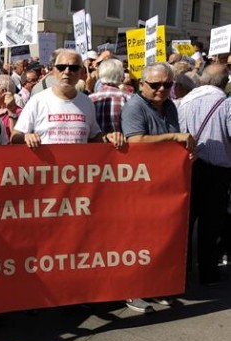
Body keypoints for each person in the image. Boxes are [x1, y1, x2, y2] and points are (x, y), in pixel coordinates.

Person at [121, 62, 195, 313]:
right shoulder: (134, 105)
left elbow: (173, 142)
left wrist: (183, 152)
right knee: (137, 240)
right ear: (142, 85)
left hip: (163, 184)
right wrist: (174, 138)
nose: (162, 89)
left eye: (167, 84)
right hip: (139, 185)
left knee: (159, 239)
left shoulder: (170, 105)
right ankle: (133, 290)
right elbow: (136, 141)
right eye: (155, 84)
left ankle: (154, 286)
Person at [178, 63, 231, 286]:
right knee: (211, 223)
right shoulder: (226, 104)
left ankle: (183, 270)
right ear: (224, 82)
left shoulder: (184, 101)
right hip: (217, 171)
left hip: (188, 166)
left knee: (187, 221)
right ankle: (208, 273)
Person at [11, 49, 123, 148]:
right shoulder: (37, 101)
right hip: (47, 170)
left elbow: (94, 136)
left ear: (81, 73)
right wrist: (26, 137)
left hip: (77, 170)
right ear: (54, 72)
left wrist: (109, 137)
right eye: (61, 67)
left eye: (73, 68)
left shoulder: (87, 102)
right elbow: (15, 137)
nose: (67, 72)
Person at [88, 58, 132, 135]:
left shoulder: (89, 99)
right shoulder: (128, 98)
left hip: (97, 145)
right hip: (122, 145)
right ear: (121, 75)